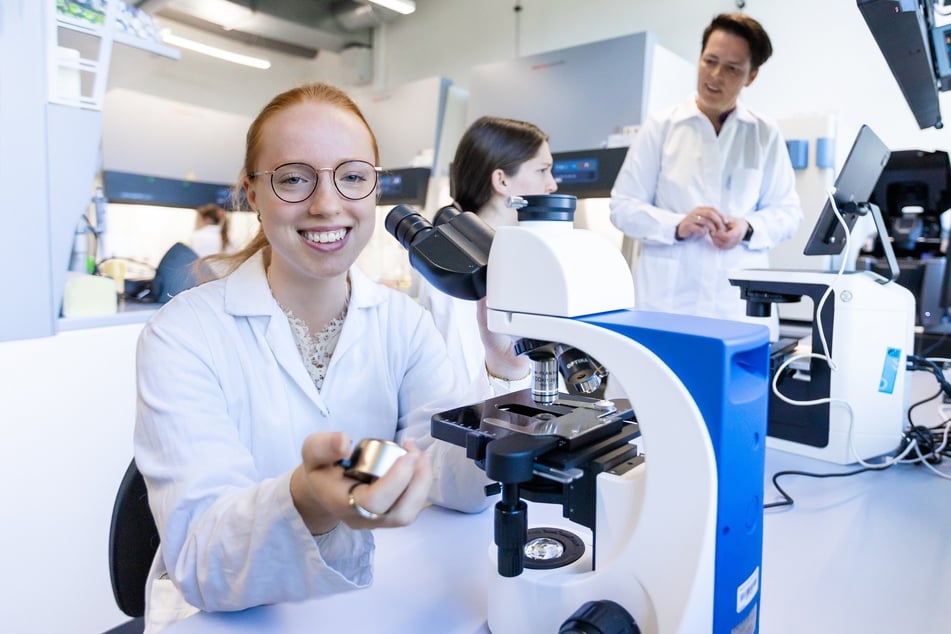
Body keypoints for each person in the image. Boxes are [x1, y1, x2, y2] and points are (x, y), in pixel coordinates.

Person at [133, 83, 529, 633]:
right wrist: (305, 502)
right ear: (252, 193)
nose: (326, 204)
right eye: (294, 178)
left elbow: (452, 481)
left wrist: (506, 367)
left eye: (352, 176)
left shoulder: (402, 322)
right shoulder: (183, 334)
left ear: (373, 190)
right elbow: (202, 562)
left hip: (374, 601)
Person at [609, 12, 802, 335]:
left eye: (732, 68)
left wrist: (748, 226)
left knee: (735, 383)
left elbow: (789, 213)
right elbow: (622, 207)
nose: (715, 75)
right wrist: (678, 225)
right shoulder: (661, 127)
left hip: (737, 307)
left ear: (750, 77)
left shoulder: (764, 133)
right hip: (667, 304)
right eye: (709, 61)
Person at [416, 115, 558, 386]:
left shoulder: (520, 255)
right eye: (542, 170)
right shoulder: (456, 271)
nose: (552, 184)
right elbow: (462, 387)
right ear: (502, 181)